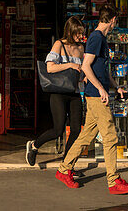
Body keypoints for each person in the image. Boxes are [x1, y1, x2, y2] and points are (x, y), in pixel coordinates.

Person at [55, 4, 128, 195]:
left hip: (96, 95)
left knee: (86, 136)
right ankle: (113, 180)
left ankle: (64, 169)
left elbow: (102, 69)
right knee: (110, 137)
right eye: (117, 21)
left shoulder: (101, 40)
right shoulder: (96, 38)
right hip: (96, 96)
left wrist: (116, 86)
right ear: (113, 20)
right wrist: (101, 89)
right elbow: (86, 66)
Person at [25, 16, 86, 167]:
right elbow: (50, 67)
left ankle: (67, 165)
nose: (80, 36)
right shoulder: (59, 44)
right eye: (78, 33)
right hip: (58, 92)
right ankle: (34, 146)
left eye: (81, 33)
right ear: (70, 31)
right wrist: (70, 65)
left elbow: (82, 69)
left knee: (76, 130)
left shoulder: (81, 48)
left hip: (75, 92)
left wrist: (84, 78)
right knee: (58, 129)